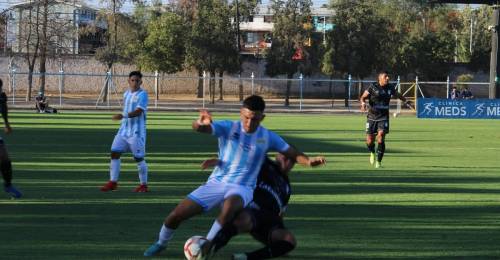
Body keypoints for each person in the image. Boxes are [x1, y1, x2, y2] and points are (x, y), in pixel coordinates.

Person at [143, 95, 326, 257]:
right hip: (217, 182)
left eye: (254, 119)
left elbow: (292, 152)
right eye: (246, 118)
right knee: (176, 215)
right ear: (241, 113)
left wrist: (309, 161)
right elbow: (201, 129)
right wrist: (200, 124)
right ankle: (161, 243)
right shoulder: (229, 127)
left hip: (243, 188)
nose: (249, 123)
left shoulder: (267, 137)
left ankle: (208, 243)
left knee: (230, 207)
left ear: (262, 117)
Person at [203, 153, 296, 260]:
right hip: (253, 211)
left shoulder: (287, 186)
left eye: (292, 161)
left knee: (289, 240)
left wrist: (278, 242)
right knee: (243, 219)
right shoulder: (264, 162)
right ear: (278, 156)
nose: (288, 162)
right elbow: (240, 157)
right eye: (285, 158)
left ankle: (245, 257)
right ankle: (209, 248)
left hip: (270, 220)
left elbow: (281, 213)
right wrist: (219, 162)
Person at [100, 71, 149, 192]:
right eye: (132, 80)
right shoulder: (126, 94)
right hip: (123, 131)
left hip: (136, 132)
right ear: (128, 81)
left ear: (141, 82)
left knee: (138, 158)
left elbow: (138, 111)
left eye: (137, 80)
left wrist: (123, 116)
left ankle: (143, 185)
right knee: (114, 153)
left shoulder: (143, 94)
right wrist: (123, 118)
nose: (135, 82)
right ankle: (113, 182)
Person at [359, 71, 412, 168]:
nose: (387, 78)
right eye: (385, 77)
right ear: (380, 79)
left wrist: (405, 100)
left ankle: (378, 162)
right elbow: (363, 97)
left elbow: (398, 94)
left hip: (383, 117)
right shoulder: (373, 87)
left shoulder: (390, 87)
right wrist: (363, 103)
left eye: (388, 76)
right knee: (370, 141)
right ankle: (372, 152)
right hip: (371, 117)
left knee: (381, 136)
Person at [0, 79, 22, 198]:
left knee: (4, 157)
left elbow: (3, 109)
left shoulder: (2, 97)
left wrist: (7, 123)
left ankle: (8, 185)